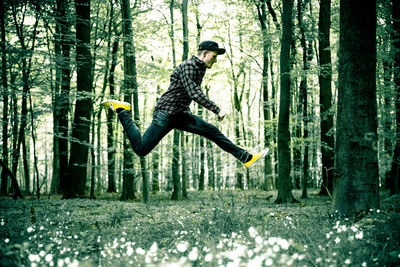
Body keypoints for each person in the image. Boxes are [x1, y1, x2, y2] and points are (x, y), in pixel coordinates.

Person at [102, 40, 269, 168]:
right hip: (165, 114)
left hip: (180, 114)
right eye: (214, 56)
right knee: (141, 150)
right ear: (204, 53)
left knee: (212, 131)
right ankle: (122, 110)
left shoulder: (200, 67)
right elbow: (194, 93)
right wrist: (216, 109)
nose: (215, 60)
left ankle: (246, 158)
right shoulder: (188, 66)